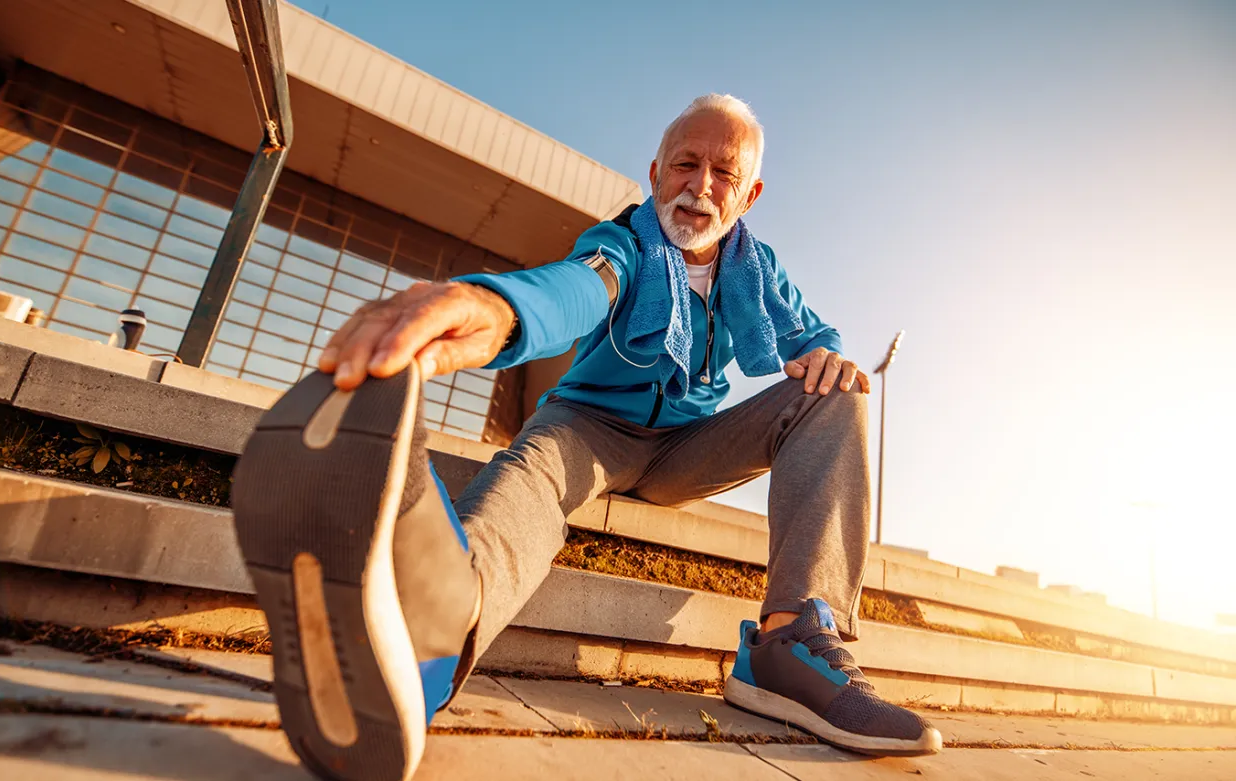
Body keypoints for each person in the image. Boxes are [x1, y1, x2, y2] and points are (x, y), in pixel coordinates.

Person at [231, 94, 942, 781]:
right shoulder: (624, 242)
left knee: (837, 395)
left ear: (748, 196)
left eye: (723, 173)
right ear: (657, 172)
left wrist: (829, 352)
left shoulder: (759, 272)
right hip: (590, 428)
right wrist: (500, 307)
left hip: (687, 448)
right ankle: (429, 638)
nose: (700, 187)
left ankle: (787, 645)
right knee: (530, 481)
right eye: (686, 164)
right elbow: (580, 285)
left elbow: (811, 332)